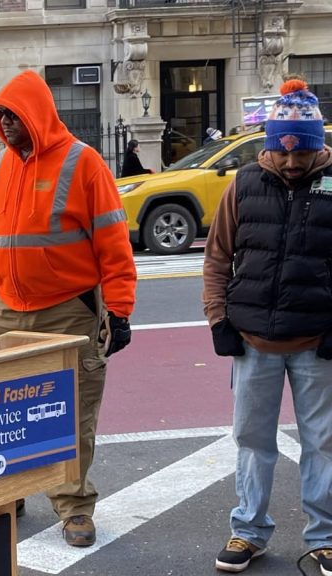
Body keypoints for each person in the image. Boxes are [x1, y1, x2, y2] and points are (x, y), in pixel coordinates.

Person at [0, 70, 137, 547]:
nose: (4, 123)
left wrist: (119, 310)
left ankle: (75, 506)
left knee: (72, 411)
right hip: (8, 308)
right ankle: (8, 493)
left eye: (12, 115)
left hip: (69, 310)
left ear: (36, 114)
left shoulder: (84, 164)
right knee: (1, 412)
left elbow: (113, 245)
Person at [204, 78, 332, 574]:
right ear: (271, 146)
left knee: (323, 442)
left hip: (317, 339)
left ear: (317, 147)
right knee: (252, 439)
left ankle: (324, 537)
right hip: (252, 338)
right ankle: (248, 532)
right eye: (283, 153)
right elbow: (217, 257)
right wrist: (219, 318)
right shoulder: (242, 184)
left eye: (302, 155)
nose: (293, 163)